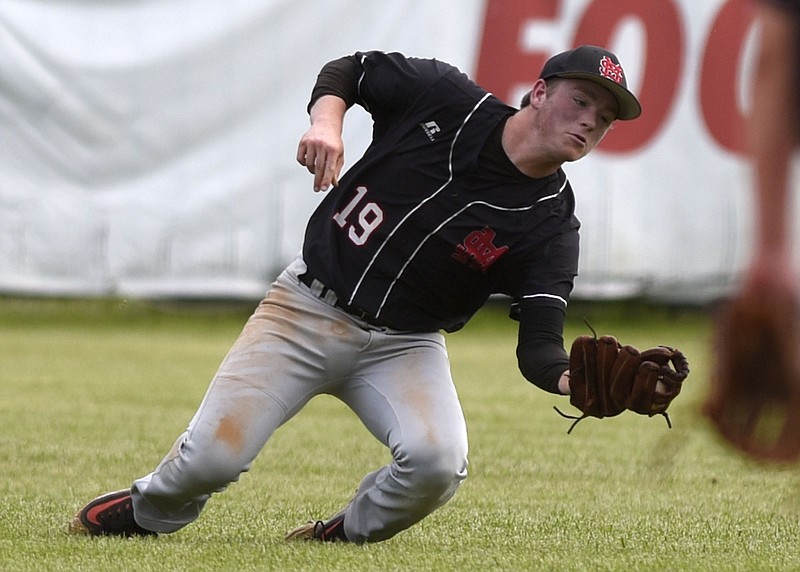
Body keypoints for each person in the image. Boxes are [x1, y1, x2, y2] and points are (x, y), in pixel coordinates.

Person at [68, 45, 641, 543]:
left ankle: (343, 535)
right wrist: (326, 124)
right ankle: (150, 510)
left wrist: (575, 379)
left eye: (607, 115)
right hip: (306, 309)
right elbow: (348, 70)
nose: (592, 120)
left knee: (438, 464)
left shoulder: (551, 225)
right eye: (581, 101)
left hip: (405, 347)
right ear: (539, 93)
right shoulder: (445, 99)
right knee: (212, 461)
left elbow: (538, 348)